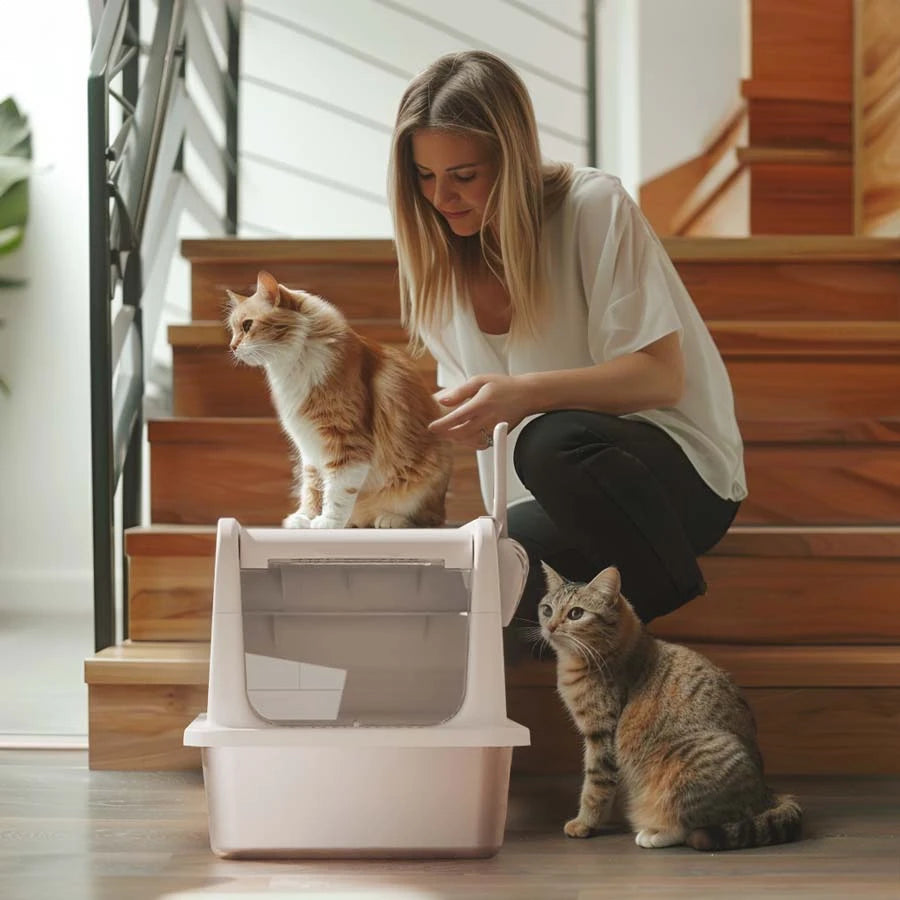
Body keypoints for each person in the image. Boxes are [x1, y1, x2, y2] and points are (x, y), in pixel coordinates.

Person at [387, 50, 745, 638]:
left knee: (551, 440)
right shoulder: (437, 261)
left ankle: (661, 596)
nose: (441, 197)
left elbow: (660, 378)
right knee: (466, 592)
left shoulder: (593, 206)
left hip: (670, 478)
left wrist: (522, 396)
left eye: (464, 176)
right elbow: (477, 408)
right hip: (554, 499)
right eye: (424, 176)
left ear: (513, 157)